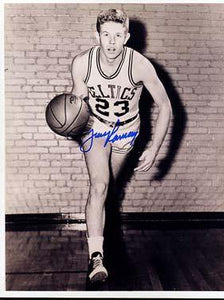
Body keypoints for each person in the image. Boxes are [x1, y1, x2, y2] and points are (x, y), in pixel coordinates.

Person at [71, 9, 172, 284]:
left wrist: (154, 147)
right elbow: (77, 102)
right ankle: (96, 257)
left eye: (118, 36)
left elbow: (165, 105)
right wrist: (70, 115)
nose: (112, 42)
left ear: (126, 38)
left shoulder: (139, 65)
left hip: (127, 131)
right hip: (97, 127)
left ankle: (108, 232)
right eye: (106, 35)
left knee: (110, 188)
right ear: (97, 36)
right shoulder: (82, 64)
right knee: (99, 185)